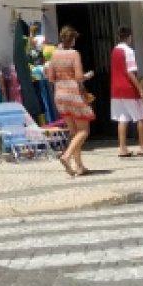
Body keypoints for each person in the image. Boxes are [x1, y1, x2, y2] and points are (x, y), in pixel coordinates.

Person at [46, 25, 94, 176]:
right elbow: (79, 77)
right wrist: (87, 76)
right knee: (83, 130)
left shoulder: (54, 54)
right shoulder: (74, 54)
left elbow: (50, 78)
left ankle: (79, 166)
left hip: (59, 95)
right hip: (73, 94)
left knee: (73, 132)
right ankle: (66, 156)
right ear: (72, 39)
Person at [110, 26, 143, 158]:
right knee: (141, 117)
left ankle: (122, 148)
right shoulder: (129, 51)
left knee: (122, 118)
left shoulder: (115, 50)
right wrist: (140, 89)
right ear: (129, 37)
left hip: (116, 89)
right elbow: (130, 72)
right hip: (128, 88)